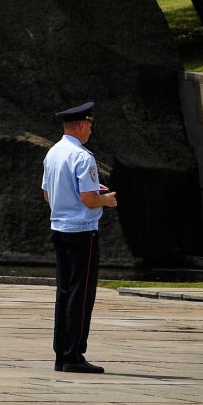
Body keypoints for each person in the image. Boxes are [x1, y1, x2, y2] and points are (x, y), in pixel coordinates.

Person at [42, 99, 117, 373]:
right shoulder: (83, 157)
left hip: (59, 228)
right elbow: (88, 199)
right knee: (81, 294)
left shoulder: (53, 153)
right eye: (90, 127)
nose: (90, 132)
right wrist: (106, 200)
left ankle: (61, 354)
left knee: (64, 291)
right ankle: (73, 355)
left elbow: (48, 194)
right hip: (82, 232)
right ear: (82, 125)